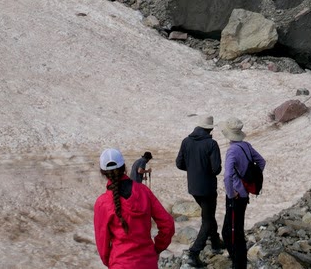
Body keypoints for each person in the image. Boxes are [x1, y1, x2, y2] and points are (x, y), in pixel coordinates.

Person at [94, 147, 175, 269]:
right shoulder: (144, 191)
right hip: (147, 262)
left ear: (103, 172)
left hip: (120, 263)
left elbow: (102, 243)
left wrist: (111, 262)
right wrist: (156, 249)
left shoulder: (103, 203)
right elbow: (167, 224)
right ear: (124, 167)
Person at [175, 115, 226, 266]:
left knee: (207, 214)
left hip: (193, 187)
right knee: (207, 219)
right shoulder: (211, 144)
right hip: (208, 188)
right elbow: (216, 169)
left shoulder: (186, 141)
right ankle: (194, 252)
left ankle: (216, 242)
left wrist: (192, 169)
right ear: (210, 129)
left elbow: (179, 163)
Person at [220, 120, 264, 269]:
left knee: (231, 232)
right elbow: (261, 162)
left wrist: (231, 193)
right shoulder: (246, 146)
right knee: (236, 229)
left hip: (235, 196)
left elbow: (227, 177)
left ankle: (238, 264)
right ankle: (239, 262)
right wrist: (248, 178)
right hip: (244, 195)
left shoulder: (232, 150)